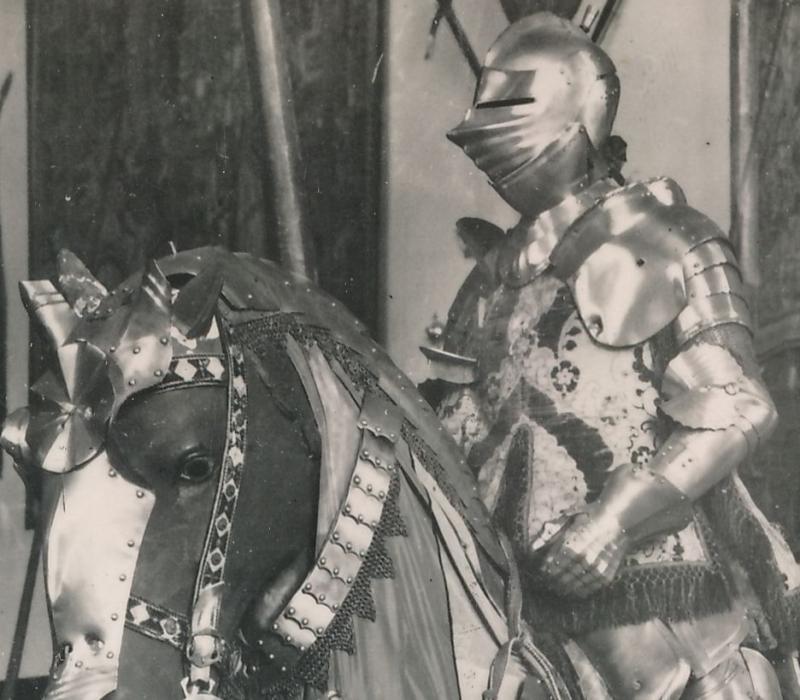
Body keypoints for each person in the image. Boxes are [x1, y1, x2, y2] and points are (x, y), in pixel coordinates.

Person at [434, 12, 800, 698]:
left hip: (654, 590)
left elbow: (738, 408)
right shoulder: (488, 279)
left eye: (509, 105)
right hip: (503, 594)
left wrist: (612, 523)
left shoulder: (670, 240)